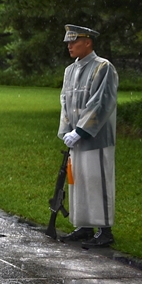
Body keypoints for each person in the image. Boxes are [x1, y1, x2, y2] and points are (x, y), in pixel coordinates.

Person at [56, 24, 119, 247]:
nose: (70, 46)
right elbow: (65, 101)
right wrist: (67, 130)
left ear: (88, 42)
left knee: (97, 180)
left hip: (96, 137)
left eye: (74, 42)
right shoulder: (69, 70)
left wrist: (81, 130)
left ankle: (104, 229)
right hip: (76, 138)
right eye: (68, 42)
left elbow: (102, 103)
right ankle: (84, 225)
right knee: (78, 180)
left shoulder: (103, 67)